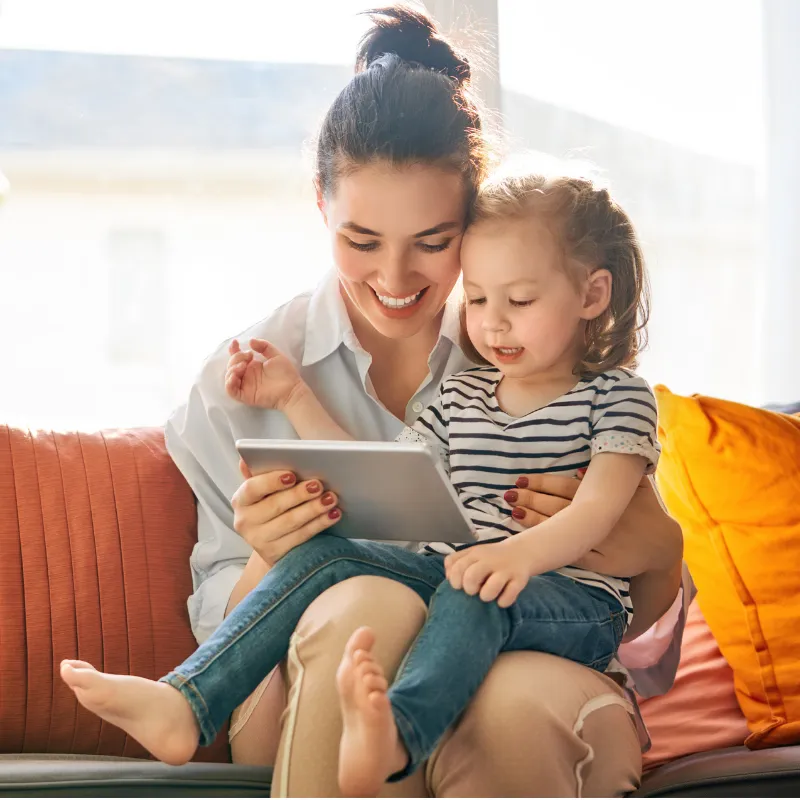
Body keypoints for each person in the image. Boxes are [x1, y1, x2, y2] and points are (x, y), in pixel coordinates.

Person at [61, 6, 688, 796]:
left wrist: (660, 553)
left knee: (515, 698)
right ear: (319, 207)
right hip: (296, 678)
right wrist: (268, 551)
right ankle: (220, 710)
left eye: (434, 242)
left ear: (478, 219)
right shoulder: (245, 382)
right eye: (362, 242)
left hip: (531, 645)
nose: (396, 281)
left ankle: (402, 733)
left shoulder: (542, 348)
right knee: (366, 602)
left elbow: (648, 649)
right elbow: (234, 628)